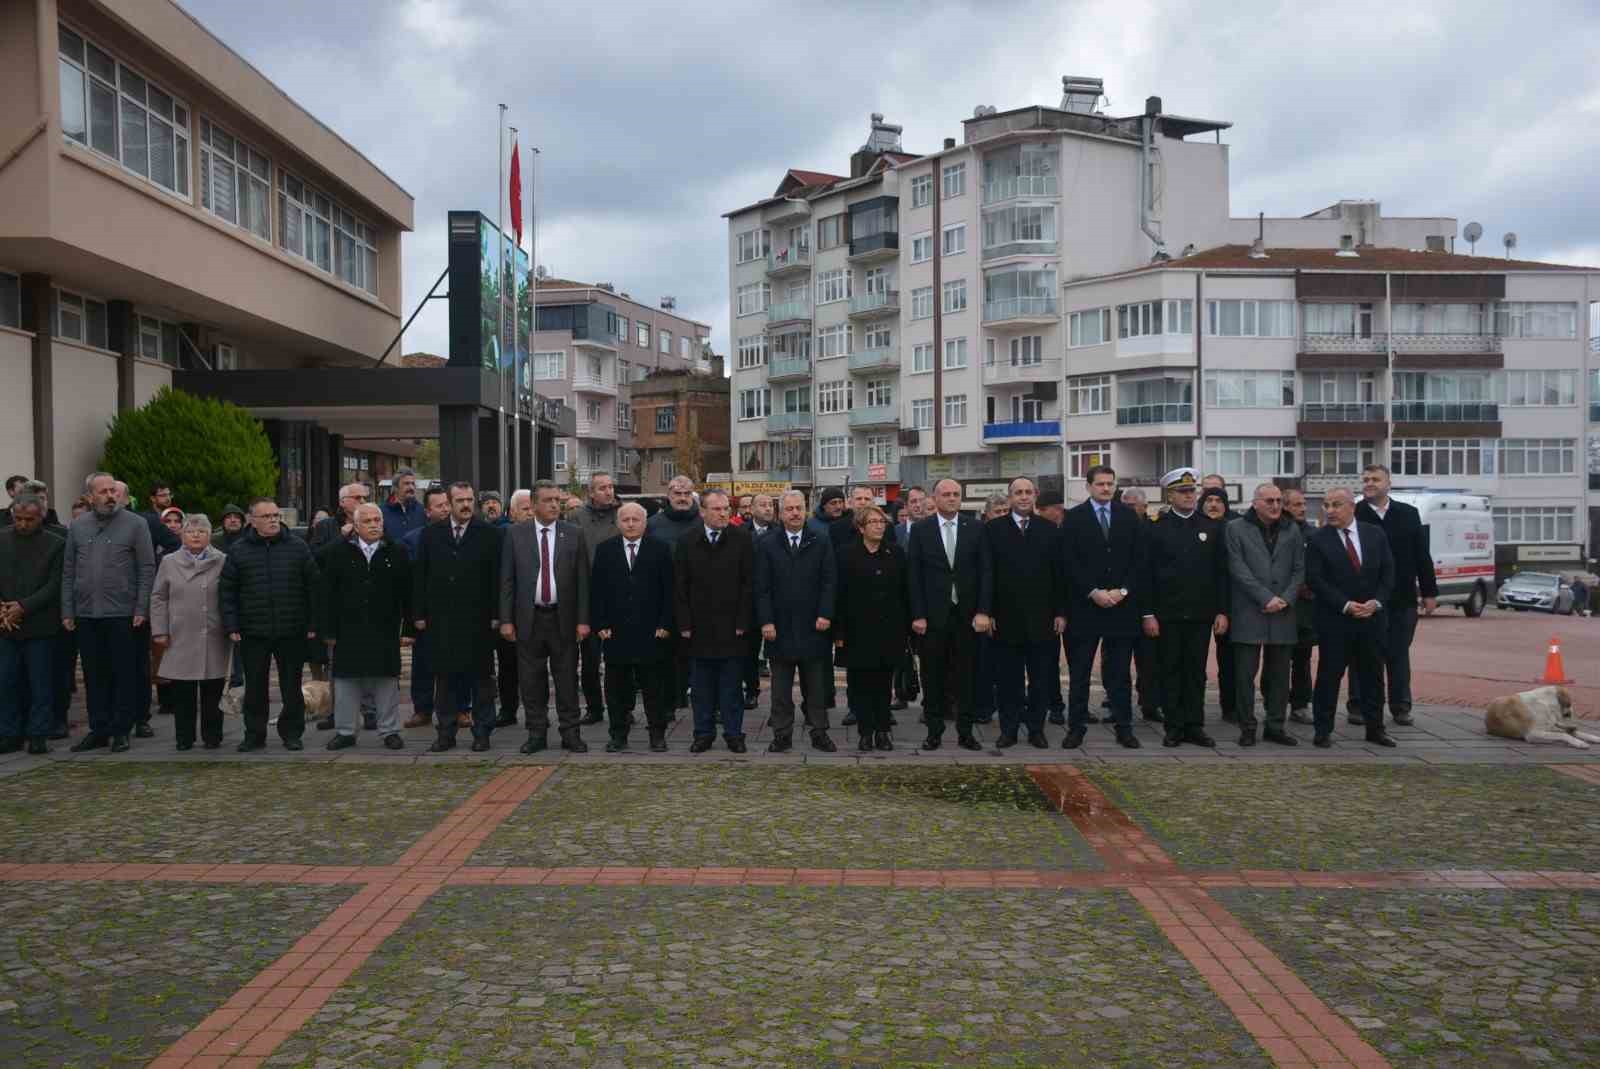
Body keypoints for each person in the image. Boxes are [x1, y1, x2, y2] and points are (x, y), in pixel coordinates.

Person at [63, 472, 155, 753]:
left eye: (113, 490)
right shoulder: (77, 527)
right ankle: (98, 728)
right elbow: (68, 571)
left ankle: (121, 729)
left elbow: (147, 568)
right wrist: (68, 609)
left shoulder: (136, 524)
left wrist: (141, 607)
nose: (110, 496)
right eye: (103, 491)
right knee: (94, 674)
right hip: (87, 613)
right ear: (90, 497)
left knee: (123, 673)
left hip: (123, 613)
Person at [220, 497, 318, 752]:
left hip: (292, 629)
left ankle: (292, 733)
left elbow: (313, 587)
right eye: (267, 516)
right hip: (253, 632)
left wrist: (312, 622)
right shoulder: (239, 550)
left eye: (276, 515)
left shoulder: (298, 547)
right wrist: (232, 626)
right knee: (254, 688)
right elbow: (227, 591)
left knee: (291, 687)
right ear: (253, 521)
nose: (274, 520)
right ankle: (254, 734)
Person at [500, 481, 591, 753]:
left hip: (562, 618)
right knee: (530, 680)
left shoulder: (573, 533)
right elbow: (507, 579)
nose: (555, 505)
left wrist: (583, 619)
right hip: (530, 619)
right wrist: (506, 619)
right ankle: (536, 733)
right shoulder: (516, 534)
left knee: (566, 679)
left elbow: (583, 581)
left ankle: (570, 732)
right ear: (535, 504)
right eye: (548, 500)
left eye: (557, 500)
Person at [975, 477, 1064, 749]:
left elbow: (1059, 574)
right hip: (1006, 618)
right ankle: (1009, 729)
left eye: (1028, 492)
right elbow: (987, 572)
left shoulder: (1050, 529)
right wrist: (986, 611)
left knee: (1041, 678)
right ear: (1010, 497)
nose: (1024, 497)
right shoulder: (993, 529)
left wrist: (1061, 612)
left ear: (1035, 495)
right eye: (1018, 493)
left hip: (1043, 618)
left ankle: (1036, 728)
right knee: (1008, 680)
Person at [1060, 466, 1145, 750]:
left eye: (1110, 484)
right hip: (1086, 607)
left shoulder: (1127, 516)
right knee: (1080, 673)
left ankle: (1124, 728)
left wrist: (1122, 591)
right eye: (1100, 484)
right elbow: (1068, 562)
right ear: (1088, 486)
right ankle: (1076, 728)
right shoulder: (1073, 518)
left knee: (1119, 674)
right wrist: (1093, 591)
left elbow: (1138, 560)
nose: (1106, 489)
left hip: (1121, 608)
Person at [1143, 468, 1228, 748]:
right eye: (1183, 491)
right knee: (1170, 669)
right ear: (1170, 495)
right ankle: (1174, 726)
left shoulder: (1212, 527)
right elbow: (1148, 574)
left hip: (1200, 613)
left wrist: (1221, 610)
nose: (1190, 496)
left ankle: (1195, 724)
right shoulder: (1157, 528)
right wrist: (1148, 613)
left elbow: (1221, 574)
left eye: (1193, 491)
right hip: (1167, 614)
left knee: (1195, 670)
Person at [1306, 487, 1396, 749]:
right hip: (1336, 621)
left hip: (1372, 619)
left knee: (1373, 676)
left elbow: (1389, 573)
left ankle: (1375, 729)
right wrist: (1344, 605)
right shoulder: (1318, 539)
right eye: (1326, 505)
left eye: (1336, 505)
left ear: (1351, 507)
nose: (1330, 510)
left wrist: (1376, 602)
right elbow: (1315, 579)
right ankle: (1323, 730)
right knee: (1328, 676)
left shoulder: (1375, 534)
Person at [414, 482, 501, 752]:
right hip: (443, 620)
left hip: (479, 619)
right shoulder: (431, 534)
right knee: (446, 680)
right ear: (449, 504)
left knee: (481, 680)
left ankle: (482, 732)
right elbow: (420, 576)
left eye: (470, 499)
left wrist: (498, 614)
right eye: (460, 500)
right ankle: (446, 733)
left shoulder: (489, 534)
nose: (466, 505)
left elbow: (498, 577)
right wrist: (418, 614)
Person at [318, 502, 411, 751]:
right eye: (367, 521)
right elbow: (327, 593)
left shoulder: (397, 551)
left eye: (377, 520)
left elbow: (408, 594)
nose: (373, 525)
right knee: (346, 682)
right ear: (355, 526)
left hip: (385, 628)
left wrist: (409, 628)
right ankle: (346, 731)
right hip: (348, 629)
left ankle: (389, 730)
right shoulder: (339, 552)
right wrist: (328, 630)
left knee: (386, 681)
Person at [1351, 464, 1437, 729]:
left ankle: (1400, 707)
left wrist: (1430, 591)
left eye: (1375, 479)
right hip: (1364, 598)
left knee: (1398, 653)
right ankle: (1358, 706)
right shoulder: (1355, 513)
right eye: (1365, 479)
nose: (1369, 483)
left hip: (1402, 598)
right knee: (1362, 653)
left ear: (1389, 483)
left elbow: (1422, 555)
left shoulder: (1408, 514)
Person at [754, 490, 836, 752]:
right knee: (780, 689)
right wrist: (766, 621)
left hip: (814, 626)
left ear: (807, 509)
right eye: (789, 509)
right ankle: (782, 735)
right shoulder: (768, 542)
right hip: (779, 628)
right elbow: (762, 587)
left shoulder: (820, 540)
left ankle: (820, 732)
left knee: (817, 687)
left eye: (799, 508)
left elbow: (829, 581)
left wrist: (825, 613)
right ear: (781, 512)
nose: (795, 513)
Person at [1224, 483, 1305, 747]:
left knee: (1280, 675)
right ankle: (1247, 726)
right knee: (1245, 675)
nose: (1275, 506)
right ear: (1255, 502)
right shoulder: (1235, 528)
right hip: (1250, 610)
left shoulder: (1291, 529)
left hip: (1283, 611)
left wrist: (1286, 598)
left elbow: (1298, 569)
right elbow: (1237, 568)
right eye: (1269, 501)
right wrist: (1265, 597)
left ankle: (1275, 726)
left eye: (1279, 501)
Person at [907, 478, 984, 751]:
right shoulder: (921, 530)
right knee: (933, 676)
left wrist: (983, 611)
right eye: (946, 494)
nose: (952, 498)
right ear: (935, 498)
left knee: (966, 676)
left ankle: (966, 732)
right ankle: (934, 732)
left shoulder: (975, 528)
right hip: (932, 617)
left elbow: (985, 572)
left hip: (966, 616)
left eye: (956, 494)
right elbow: (913, 575)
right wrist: (918, 614)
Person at [674, 489, 753, 753]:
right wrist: (684, 624)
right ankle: (703, 733)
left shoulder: (741, 539)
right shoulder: (687, 540)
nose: (723, 514)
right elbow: (680, 586)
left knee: (731, 686)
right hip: (698, 627)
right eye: (717, 509)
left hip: (732, 627)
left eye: (725, 509)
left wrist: (743, 620)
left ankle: (734, 734)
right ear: (703, 512)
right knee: (701, 687)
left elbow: (748, 583)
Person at [589, 502, 673, 752]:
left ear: (645, 522)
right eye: (625, 519)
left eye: (636, 519)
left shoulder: (660, 549)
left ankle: (657, 734)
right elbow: (598, 591)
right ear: (618, 522)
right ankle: (618, 735)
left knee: (654, 688)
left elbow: (670, 590)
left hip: (652, 632)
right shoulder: (605, 550)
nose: (631, 524)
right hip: (616, 632)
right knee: (617, 689)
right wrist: (600, 623)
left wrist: (665, 623)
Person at [149, 514, 229, 751]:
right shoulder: (169, 562)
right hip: (179, 633)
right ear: (182, 535)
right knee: (182, 691)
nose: (196, 535)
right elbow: (158, 597)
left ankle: (212, 736)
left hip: (213, 633)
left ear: (209, 535)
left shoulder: (222, 560)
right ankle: (184, 738)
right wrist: (159, 630)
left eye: (201, 531)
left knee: (212, 690)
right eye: (191, 531)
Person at [834, 504, 909, 752]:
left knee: (883, 684)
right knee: (860, 685)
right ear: (860, 527)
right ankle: (865, 732)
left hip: (889, 630)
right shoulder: (846, 554)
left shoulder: (895, 553)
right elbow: (839, 595)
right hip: (857, 632)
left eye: (882, 522)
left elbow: (905, 592)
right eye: (873, 522)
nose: (879, 526)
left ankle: (883, 731)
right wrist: (839, 632)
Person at [0, 493, 63, 754]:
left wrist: (23, 606)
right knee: (6, 681)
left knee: (40, 682)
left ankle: (38, 733)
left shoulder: (56, 544)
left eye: (29, 519)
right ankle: (9, 732)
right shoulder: (1, 539)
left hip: (40, 623)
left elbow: (54, 584)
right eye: (19, 519)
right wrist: (3, 608)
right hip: (5, 624)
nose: (23, 524)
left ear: (41, 517)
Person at [648, 475, 702, 709]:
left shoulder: (703, 522)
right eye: (677, 494)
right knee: (665, 657)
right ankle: (668, 704)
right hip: (664, 599)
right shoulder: (653, 524)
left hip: (698, 600)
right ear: (668, 496)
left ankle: (707, 705)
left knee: (699, 655)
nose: (682, 498)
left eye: (687, 494)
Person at [400, 485, 452, 728]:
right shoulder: (413, 539)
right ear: (428, 511)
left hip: (453, 612)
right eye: (439, 506)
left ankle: (460, 708)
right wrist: (413, 618)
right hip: (425, 614)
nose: (445, 509)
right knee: (422, 663)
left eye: (446, 504)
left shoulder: (460, 534)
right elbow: (411, 583)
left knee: (457, 662)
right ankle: (422, 709)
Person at [571, 474, 620, 727]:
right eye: (603, 488)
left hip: (618, 597)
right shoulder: (577, 517)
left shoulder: (622, 514)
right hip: (588, 598)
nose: (609, 492)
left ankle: (623, 707)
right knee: (589, 662)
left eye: (611, 487)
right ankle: (593, 707)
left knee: (620, 660)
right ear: (591, 492)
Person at [1120, 487, 1162, 724]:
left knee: (1149, 661)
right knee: (1118, 662)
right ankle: (1118, 706)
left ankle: (1150, 704)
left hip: (1149, 605)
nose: (1128, 509)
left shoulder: (1154, 530)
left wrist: (1150, 611)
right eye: (1124, 505)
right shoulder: (1116, 529)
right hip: (1120, 605)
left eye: (1132, 505)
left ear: (1144, 507)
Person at [1200, 486, 1240, 724]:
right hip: (1197, 603)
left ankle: (1231, 707)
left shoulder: (1234, 530)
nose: (1213, 505)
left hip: (1228, 602)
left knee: (1229, 660)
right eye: (1209, 500)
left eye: (1218, 500)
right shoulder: (1193, 526)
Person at [971, 492, 1011, 725]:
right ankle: (983, 706)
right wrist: (986, 610)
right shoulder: (980, 534)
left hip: (1010, 609)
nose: (1003, 516)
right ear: (987, 515)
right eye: (998, 512)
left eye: (1006, 511)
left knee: (1008, 665)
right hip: (985, 609)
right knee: (984, 664)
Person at [1034, 489, 1069, 726]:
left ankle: (1056, 704)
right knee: (1040, 661)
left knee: (1051, 660)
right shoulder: (1034, 532)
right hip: (1040, 607)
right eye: (1055, 508)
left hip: (1061, 607)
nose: (1060, 512)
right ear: (1042, 510)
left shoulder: (1064, 532)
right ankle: (1043, 703)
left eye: (1061, 507)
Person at [741, 493, 778, 709]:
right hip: (749, 600)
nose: (768, 509)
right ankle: (752, 691)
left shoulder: (780, 532)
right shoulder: (739, 533)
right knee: (749, 650)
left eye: (771, 505)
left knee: (777, 652)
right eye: (762, 505)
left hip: (775, 599)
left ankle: (778, 697)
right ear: (752, 509)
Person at [1284, 489, 1318, 724]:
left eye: (1304, 504)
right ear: (1285, 506)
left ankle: (1300, 704)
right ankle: (1273, 702)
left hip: (1305, 610)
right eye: (1297, 504)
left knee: (1303, 659)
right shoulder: (1277, 531)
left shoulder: (1313, 534)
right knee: (1276, 660)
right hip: (1282, 606)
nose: (1303, 508)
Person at [310, 483, 372, 551]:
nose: (363, 501)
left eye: (365, 498)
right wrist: (341, 537)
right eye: (357, 498)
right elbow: (317, 555)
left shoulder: (374, 523)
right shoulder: (325, 526)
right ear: (342, 502)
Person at [381, 468, 425, 540]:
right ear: (395, 487)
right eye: (406, 483)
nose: (411, 487)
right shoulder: (381, 512)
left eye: (413, 484)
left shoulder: (422, 510)